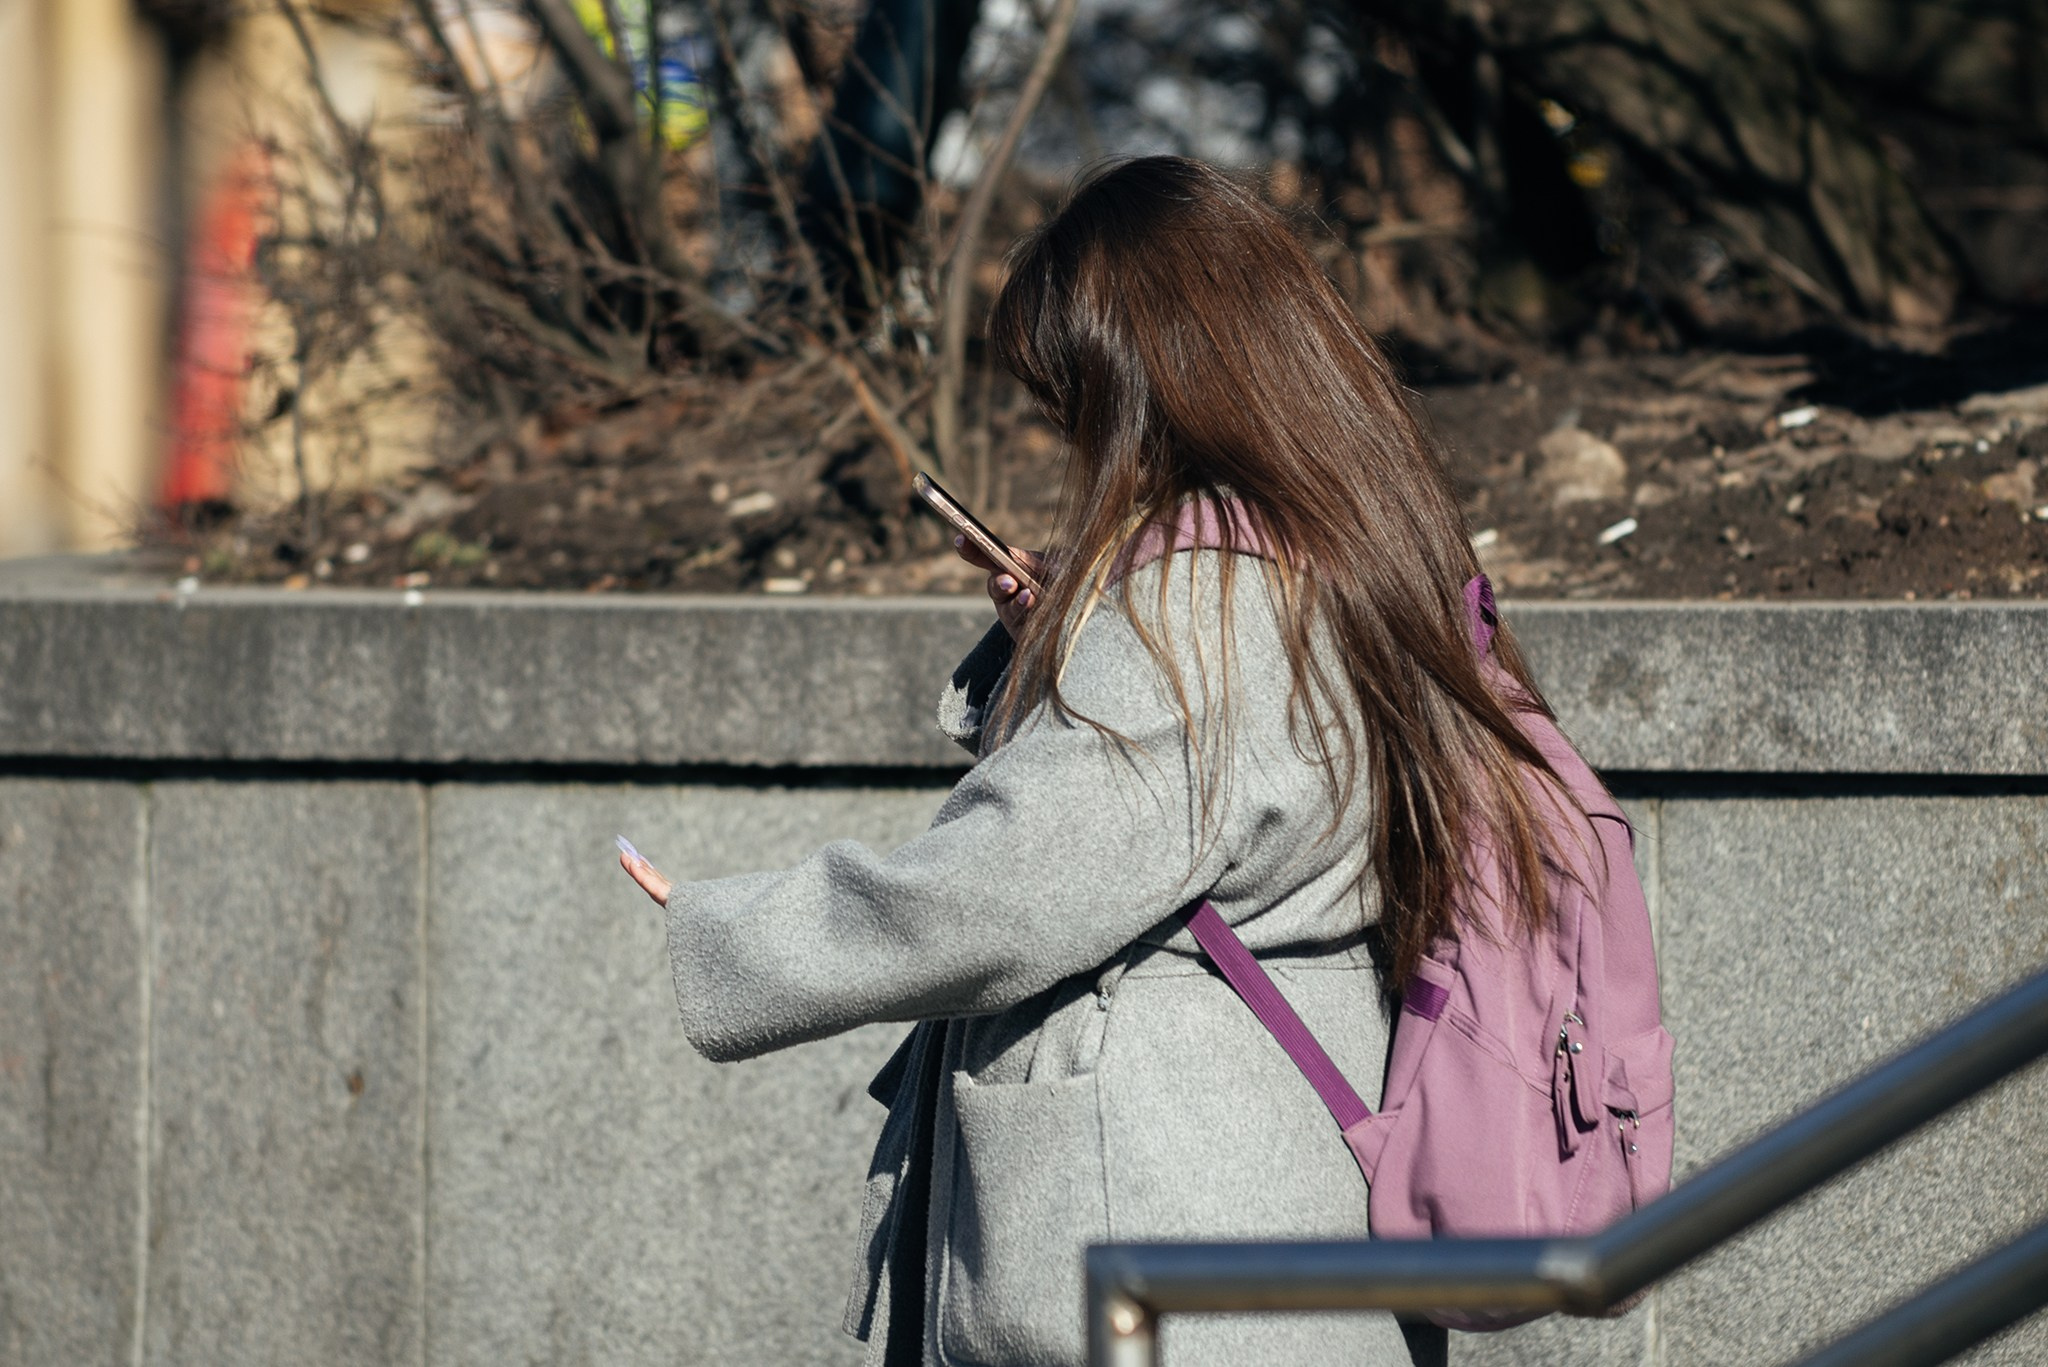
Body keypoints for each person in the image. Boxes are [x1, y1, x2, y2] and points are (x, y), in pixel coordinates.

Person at [621, 155, 1584, 1367]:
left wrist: (738, 930)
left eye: (1070, 394)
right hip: (1275, 1196)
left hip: (1169, 1216)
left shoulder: (1200, 604)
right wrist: (1072, 647)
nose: (1068, 431)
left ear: (1144, 379)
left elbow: (1010, 884)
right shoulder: (1345, 550)